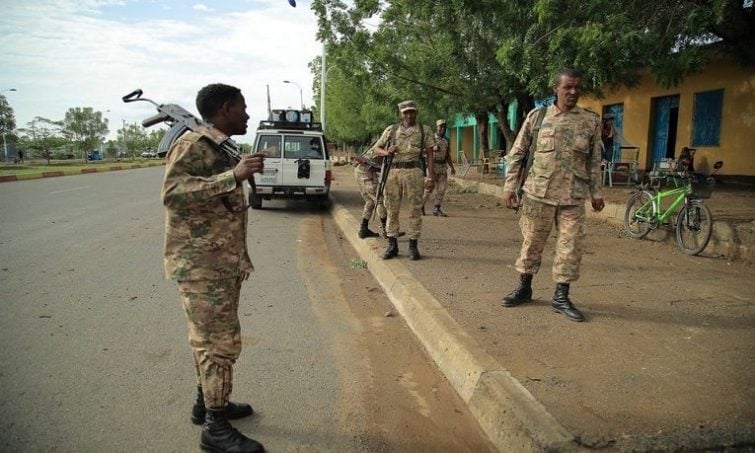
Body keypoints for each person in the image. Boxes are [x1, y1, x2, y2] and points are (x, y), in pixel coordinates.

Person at [162, 83, 265, 452]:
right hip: (202, 265)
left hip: (220, 262)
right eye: (243, 107)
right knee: (219, 344)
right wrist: (232, 177)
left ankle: (206, 403)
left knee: (208, 342)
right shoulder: (193, 144)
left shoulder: (219, 146)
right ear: (225, 109)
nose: (248, 114)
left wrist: (241, 170)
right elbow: (172, 194)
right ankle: (215, 427)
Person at [500, 68, 605, 322]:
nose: (573, 92)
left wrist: (596, 192)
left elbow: (594, 160)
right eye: (568, 87)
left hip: (573, 197)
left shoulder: (590, 121)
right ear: (555, 89)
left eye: (577, 87)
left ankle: (561, 296)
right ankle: (524, 288)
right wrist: (509, 186)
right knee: (532, 244)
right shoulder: (538, 117)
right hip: (538, 194)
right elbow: (517, 154)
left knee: (571, 248)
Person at [373, 100, 437, 260]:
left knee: (415, 209)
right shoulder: (391, 129)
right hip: (393, 173)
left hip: (414, 172)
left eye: (412, 111)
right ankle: (392, 245)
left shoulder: (424, 130)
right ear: (401, 114)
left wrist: (431, 176)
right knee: (391, 209)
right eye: (406, 112)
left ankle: (413, 246)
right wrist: (387, 152)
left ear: (416, 112)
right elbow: (376, 148)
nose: (409, 115)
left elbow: (430, 154)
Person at [422, 119, 456, 216]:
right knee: (429, 188)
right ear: (436, 127)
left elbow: (447, 155)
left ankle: (436, 208)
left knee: (442, 189)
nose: (442, 128)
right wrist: (433, 149)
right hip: (432, 166)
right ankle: (421, 206)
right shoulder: (430, 138)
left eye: (444, 126)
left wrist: (452, 167)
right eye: (440, 126)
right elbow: (423, 151)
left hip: (442, 167)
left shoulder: (446, 140)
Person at [353, 146, 385, 239]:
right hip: (365, 171)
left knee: (370, 201)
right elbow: (361, 158)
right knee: (379, 200)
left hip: (360, 171)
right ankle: (387, 230)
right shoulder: (385, 143)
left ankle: (363, 229)